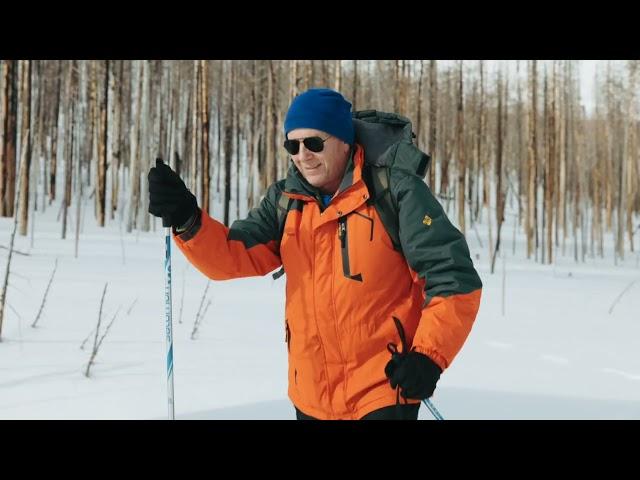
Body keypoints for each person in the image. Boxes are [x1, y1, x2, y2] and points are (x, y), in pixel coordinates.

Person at [148, 87, 482, 420]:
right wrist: (187, 219)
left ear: (345, 141)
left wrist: (427, 356)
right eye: (292, 145)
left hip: (382, 390)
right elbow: (231, 256)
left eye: (314, 143)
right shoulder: (286, 202)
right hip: (311, 397)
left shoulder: (394, 193)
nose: (302, 154)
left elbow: (453, 278)